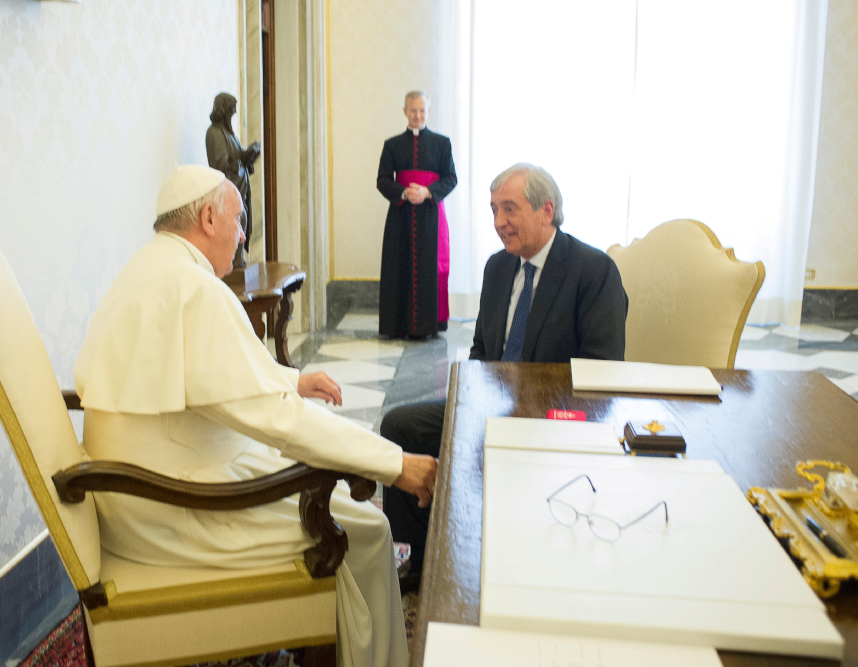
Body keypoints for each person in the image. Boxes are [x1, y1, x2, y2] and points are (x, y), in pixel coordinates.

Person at [74, 165, 437, 667]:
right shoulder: (196, 289)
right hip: (175, 509)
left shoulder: (145, 270)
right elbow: (280, 420)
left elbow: (203, 376)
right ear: (207, 217)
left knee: (336, 502)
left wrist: (290, 379)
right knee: (366, 532)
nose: (244, 234)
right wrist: (397, 464)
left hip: (133, 498)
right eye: (239, 218)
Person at [381, 163, 627, 592]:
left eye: (509, 209)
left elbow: (602, 372)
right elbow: (481, 350)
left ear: (546, 210)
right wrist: (471, 402)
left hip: (554, 418)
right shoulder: (498, 268)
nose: (498, 223)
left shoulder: (593, 271)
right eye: (494, 210)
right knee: (399, 426)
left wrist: (526, 411)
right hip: (491, 405)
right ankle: (421, 558)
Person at [377, 91, 457, 339]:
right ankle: (396, 325)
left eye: (422, 110)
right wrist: (403, 193)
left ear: (428, 112)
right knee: (398, 266)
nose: (418, 115)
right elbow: (381, 180)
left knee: (428, 268)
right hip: (399, 217)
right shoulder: (392, 145)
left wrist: (427, 192)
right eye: (413, 110)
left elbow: (451, 178)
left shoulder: (442, 143)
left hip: (430, 216)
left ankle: (426, 326)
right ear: (405, 111)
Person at [206, 92, 260, 269]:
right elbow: (221, 166)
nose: (232, 115)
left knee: (244, 221)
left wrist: (249, 155)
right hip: (229, 189)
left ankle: (238, 260)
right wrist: (241, 161)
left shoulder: (229, 134)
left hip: (240, 188)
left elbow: (237, 158)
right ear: (223, 111)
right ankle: (234, 261)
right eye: (231, 111)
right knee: (238, 220)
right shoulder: (214, 133)